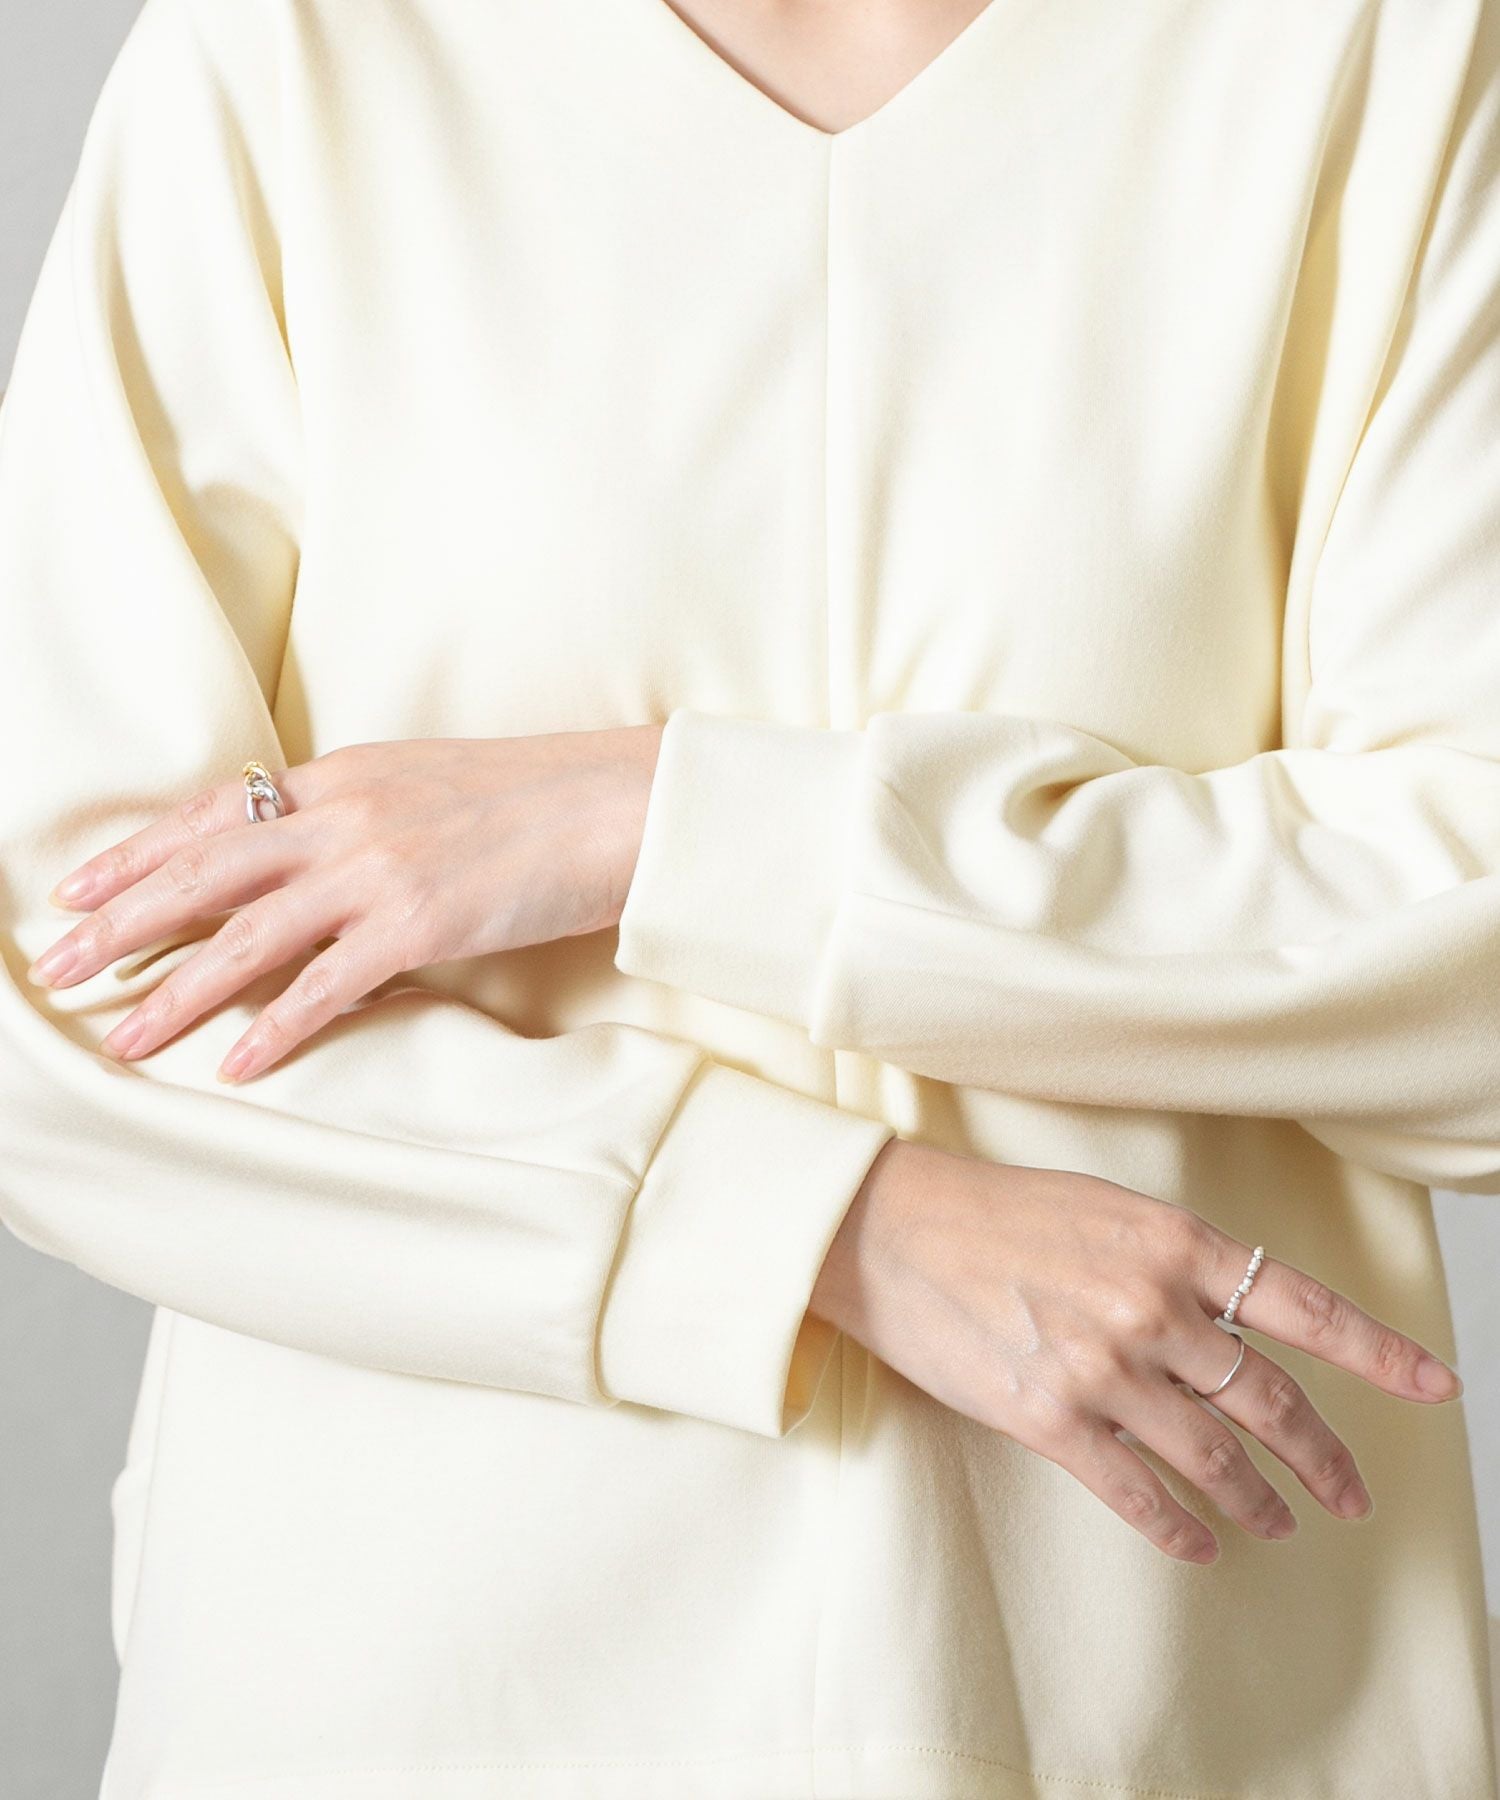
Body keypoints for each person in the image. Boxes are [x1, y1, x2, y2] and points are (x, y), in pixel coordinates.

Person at [1, 0, 1496, 1793]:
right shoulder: (289, 54)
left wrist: (657, 821)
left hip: (1178, 1696)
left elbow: (1471, 934)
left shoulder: (1378, 51)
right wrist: (824, 1230)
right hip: (433, 1698)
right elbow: (71, 994)